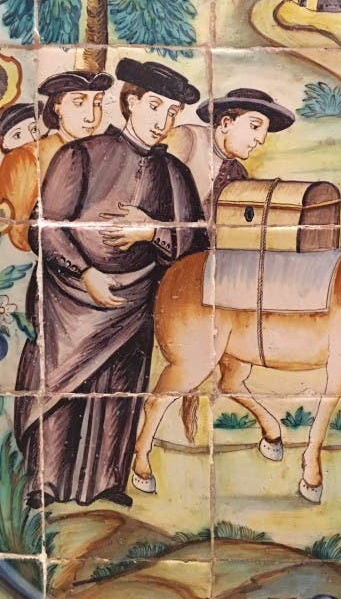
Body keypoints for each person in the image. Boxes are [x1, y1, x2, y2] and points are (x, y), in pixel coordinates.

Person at [14, 59, 208, 509]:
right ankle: (45, 483)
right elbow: (45, 228)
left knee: (119, 392)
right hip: (69, 297)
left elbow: (198, 243)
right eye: (155, 106)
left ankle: (106, 483)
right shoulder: (81, 155)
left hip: (136, 300)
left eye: (172, 112)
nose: (163, 120)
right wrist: (85, 273)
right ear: (131, 102)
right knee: (62, 390)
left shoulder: (175, 173)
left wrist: (152, 231)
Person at [0, 72, 113, 252]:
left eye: (97, 103)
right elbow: (21, 233)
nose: (91, 117)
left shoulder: (108, 155)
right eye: (79, 103)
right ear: (57, 108)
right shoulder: (26, 157)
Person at [166, 88, 295, 219]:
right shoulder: (187, 138)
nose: (261, 139)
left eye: (265, 131)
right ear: (226, 123)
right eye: (255, 126)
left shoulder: (238, 172)